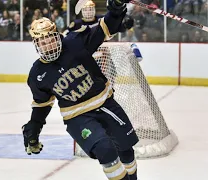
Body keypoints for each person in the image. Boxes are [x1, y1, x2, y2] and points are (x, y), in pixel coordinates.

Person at [22, 0, 139, 179]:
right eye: (42, 42)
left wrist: (115, 9)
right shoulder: (37, 74)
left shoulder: (76, 42)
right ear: (36, 45)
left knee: (126, 151)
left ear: (57, 36)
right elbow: (42, 103)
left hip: (105, 103)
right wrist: (34, 128)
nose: (48, 45)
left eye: (50, 39)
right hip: (77, 117)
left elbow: (105, 27)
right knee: (105, 150)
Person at [63, 0, 134, 36]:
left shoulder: (102, 19)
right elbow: (66, 35)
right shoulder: (76, 24)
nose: (88, 12)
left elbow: (115, 28)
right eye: (86, 10)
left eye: (90, 9)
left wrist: (124, 26)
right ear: (82, 11)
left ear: (94, 10)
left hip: (102, 51)